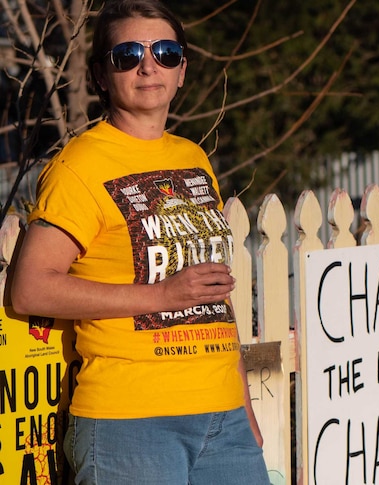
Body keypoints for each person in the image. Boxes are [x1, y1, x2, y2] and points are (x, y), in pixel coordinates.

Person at [9, 1, 270, 484]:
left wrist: (243, 405)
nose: (149, 65)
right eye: (128, 54)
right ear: (103, 77)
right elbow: (30, 288)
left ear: (182, 70)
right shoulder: (79, 167)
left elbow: (213, 295)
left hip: (224, 418)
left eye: (166, 52)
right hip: (131, 421)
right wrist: (162, 296)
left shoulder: (192, 158)